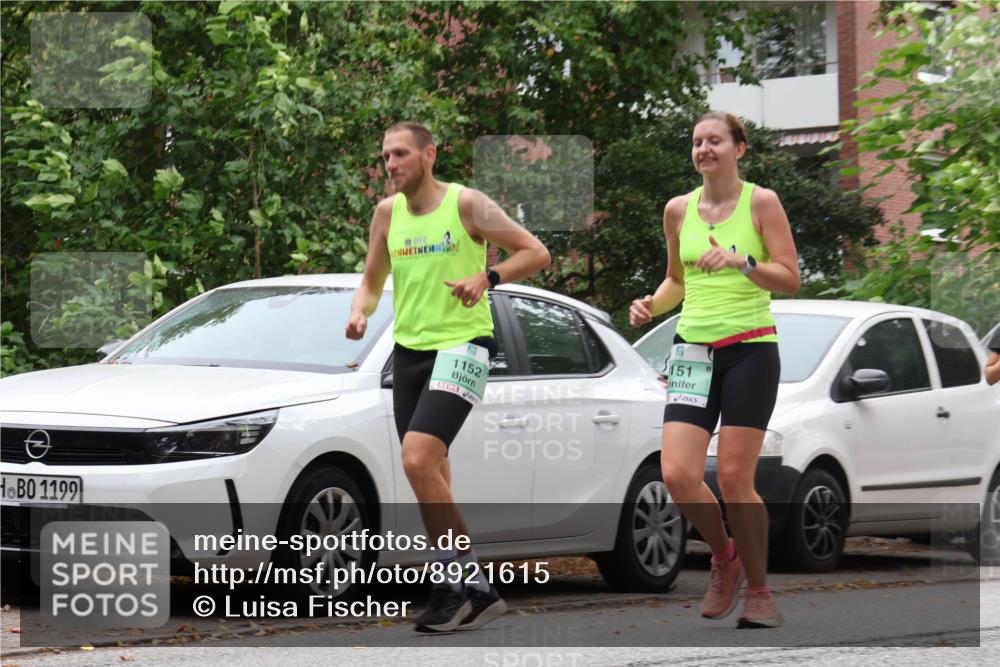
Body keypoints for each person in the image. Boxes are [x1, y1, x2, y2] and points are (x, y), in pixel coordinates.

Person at [346, 122, 550, 632]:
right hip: (410, 351)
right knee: (431, 476)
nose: (392, 164)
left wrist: (488, 276)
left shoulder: (467, 205)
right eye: (386, 156)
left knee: (416, 459)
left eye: (401, 154)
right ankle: (475, 587)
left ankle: (450, 587)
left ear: (429, 155)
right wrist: (360, 312)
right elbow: (372, 280)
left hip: (463, 346)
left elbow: (536, 252)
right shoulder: (387, 213)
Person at [629, 111, 800, 629]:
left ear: (738, 149)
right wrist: (651, 306)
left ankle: (762, 592)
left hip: (750, 350)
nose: (704, 149)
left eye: (715, 141)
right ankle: (724, 558)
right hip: (692, 351)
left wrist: (741, 262)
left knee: (732, 477)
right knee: (677, 473)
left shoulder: (761, 203)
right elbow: (675, 280)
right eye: (698, 142)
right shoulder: (678, 211)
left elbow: (790, 278)